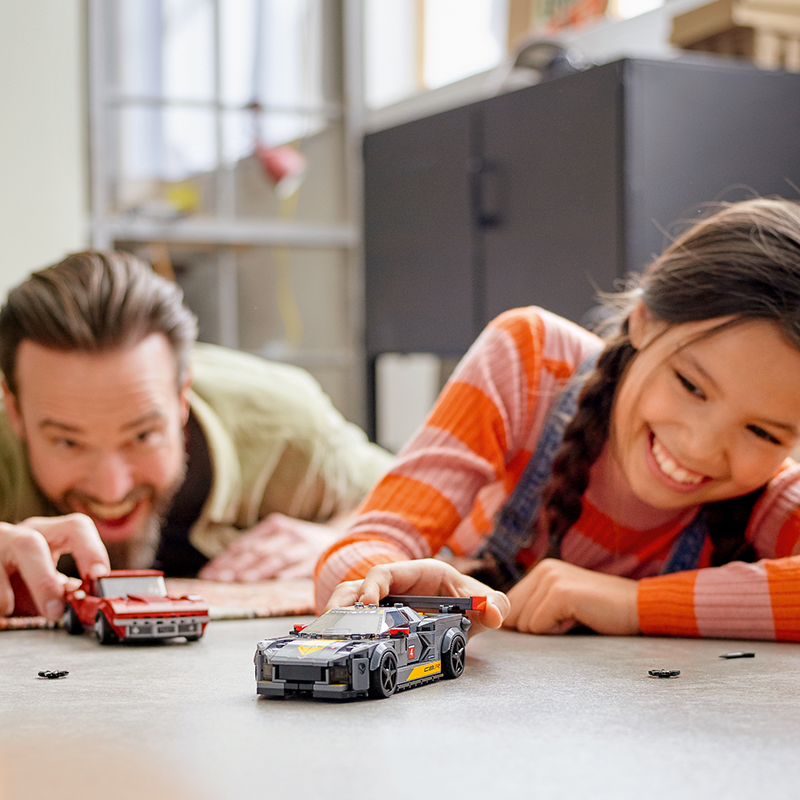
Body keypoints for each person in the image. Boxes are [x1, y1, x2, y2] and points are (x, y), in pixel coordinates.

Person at [316, 197, 800, 641]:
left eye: (762, 432)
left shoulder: (769, 494)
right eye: (691, 386)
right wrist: (388, 587)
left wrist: (633, 604)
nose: (699, 447)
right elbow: (362, 550)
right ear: (645, 319)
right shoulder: (530, 361)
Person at [0, 250, 392, 620]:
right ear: (14, 410)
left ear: (182, 395)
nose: (111, 489)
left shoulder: (289, 428)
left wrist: (339, 537)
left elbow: (426, 497)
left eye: (141, 436)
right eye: (68, 442)